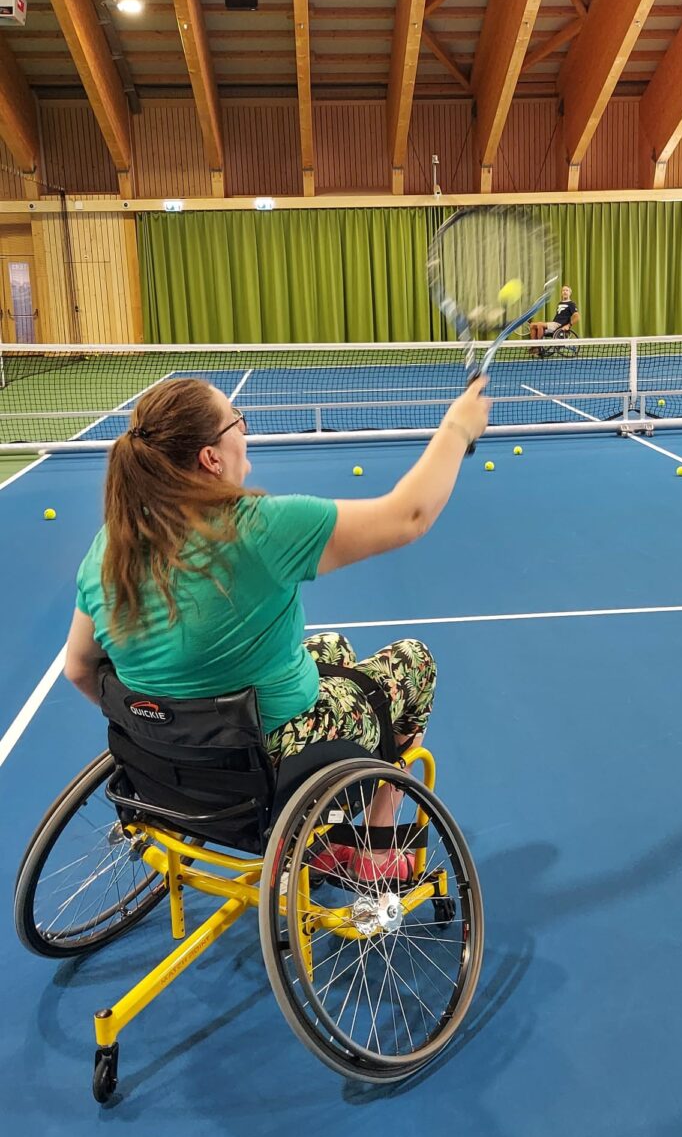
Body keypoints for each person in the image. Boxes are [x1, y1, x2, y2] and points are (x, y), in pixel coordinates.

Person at [64, 375, 491, 879]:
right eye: (235, 422)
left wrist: (163, 726)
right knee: (413, 662)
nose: (244, 431)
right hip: (270, 763)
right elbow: (409, 516)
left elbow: (79, 669)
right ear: (210, 457)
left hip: (170, 769)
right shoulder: (259, 528)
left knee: (334, 646)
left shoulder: (112, 542)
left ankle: (330, 826)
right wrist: (458, 429)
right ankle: (376, 846)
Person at [529, 285, 579, 353]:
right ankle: (534, 347)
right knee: (532, 325)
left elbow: (577, 316)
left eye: (566, 290)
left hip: (559, 326)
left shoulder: (571, 304)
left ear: (570, 293)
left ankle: (539, 347)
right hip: (554, 324)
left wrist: (568, 325)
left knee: (540, 325)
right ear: (561, 293)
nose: (565, 292)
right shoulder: (560, 303)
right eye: (563, 290)